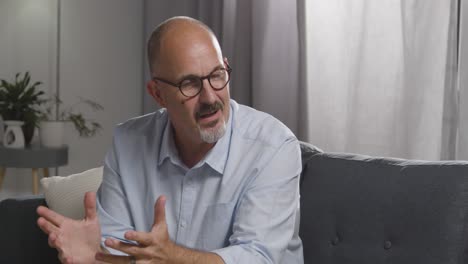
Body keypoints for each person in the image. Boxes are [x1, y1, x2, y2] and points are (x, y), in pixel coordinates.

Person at [37, 16, 303, 264]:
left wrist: (172, 257)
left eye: (217, 75)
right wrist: (96, 257)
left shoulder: (274, 147)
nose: (210, 98)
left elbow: (258, 257)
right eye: (189, 83)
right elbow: (122, 251)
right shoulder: (128, 142)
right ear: (158, 94)